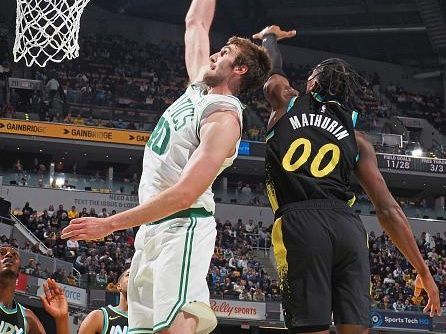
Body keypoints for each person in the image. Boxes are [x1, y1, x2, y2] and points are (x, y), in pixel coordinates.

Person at [61, 1, 271, 333]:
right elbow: (196, 22)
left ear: (240, 69)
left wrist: (110, 225)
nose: (215, 54)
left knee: (174, 329)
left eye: (225, 52)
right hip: (152, 231)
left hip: (182, 228)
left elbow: (185, 194)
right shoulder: (197, 90)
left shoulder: (224, 117)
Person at [252, 25, 441, 334]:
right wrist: (424, 271)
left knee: (309, 328)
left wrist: (269, 37)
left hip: (300, 221)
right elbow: (388, 209)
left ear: (311, 83)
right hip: (348, 227)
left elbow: (274, 69)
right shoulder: (358, 138)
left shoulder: (286, 103)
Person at [0, 244, 70, 334]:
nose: (9, 255)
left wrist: (62, 319)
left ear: (19, 271)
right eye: (2, 252)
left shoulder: (28, 317)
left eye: (14, 255)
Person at [79, 269, 130, 334]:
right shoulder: (98, 317)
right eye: (128, 275)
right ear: (119, 286)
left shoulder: (146, 321)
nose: (133, 277)